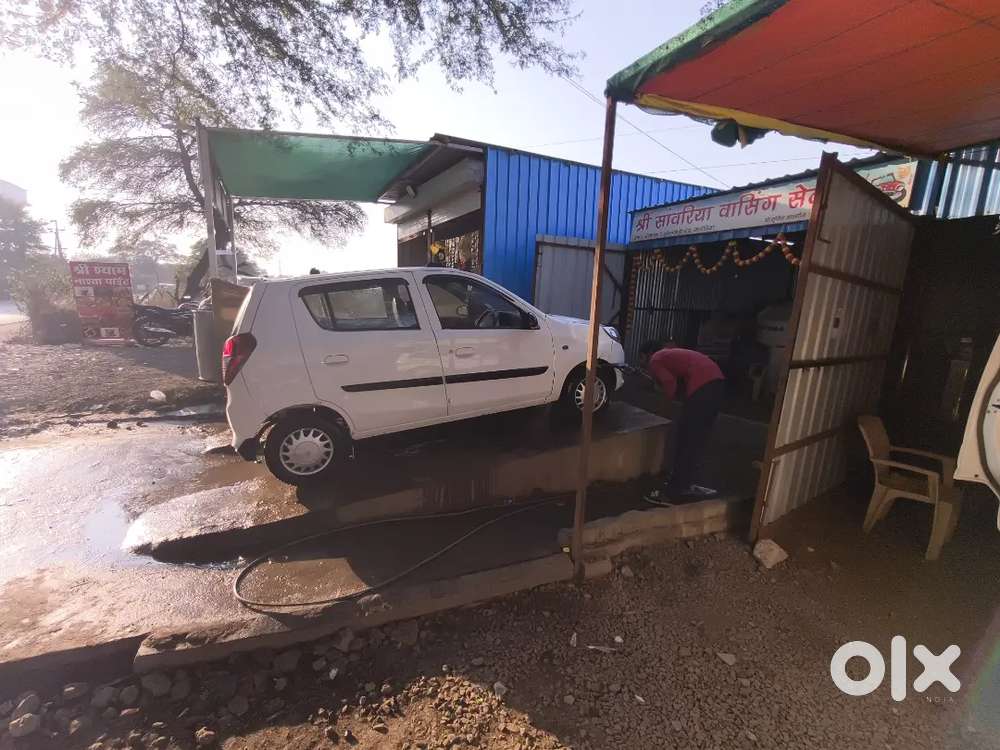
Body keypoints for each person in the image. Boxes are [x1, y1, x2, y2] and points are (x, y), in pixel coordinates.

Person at [639, 340, 725, 498]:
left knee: (687, 437)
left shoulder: (655, 359)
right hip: (716, 383)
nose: (642, 364)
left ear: (646, 355)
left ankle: (677, 489)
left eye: (641, 358)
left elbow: (669, 382)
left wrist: (664, 409)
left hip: (704, 386)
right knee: (694, 438)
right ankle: (684, 483)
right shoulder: (669, 354)